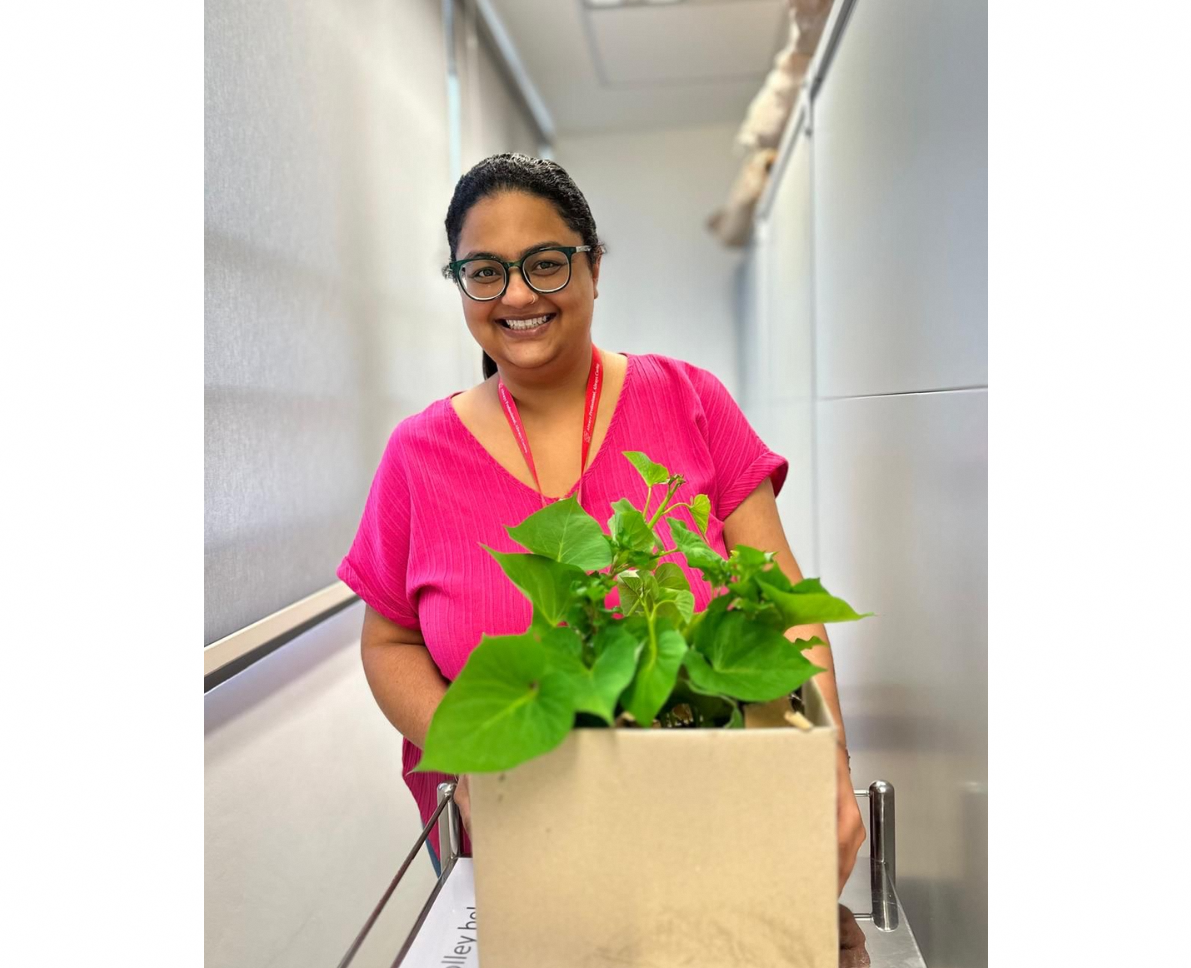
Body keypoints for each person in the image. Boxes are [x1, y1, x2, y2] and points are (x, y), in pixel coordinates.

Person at [337, 153, 865, 884]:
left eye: (545, 263)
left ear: (594, 268)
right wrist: (476, 756)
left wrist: (826, 759)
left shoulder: (692, 402)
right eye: (484, 271)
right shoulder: (417, 456)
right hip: (513, 842)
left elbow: (785, 609)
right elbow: (389, 643)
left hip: (711, 824)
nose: (517, 294)